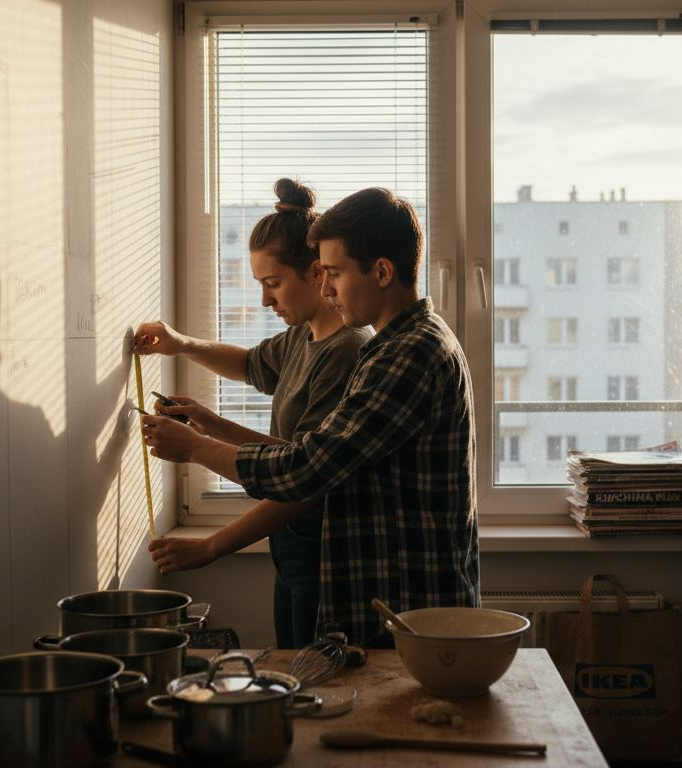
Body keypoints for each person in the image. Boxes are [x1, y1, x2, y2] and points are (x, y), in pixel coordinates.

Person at [141, 187, 480, 648]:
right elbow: (317, 456)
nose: (325, 288)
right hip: (392, 600)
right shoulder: (394, 346)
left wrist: (196, 447)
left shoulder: (408, 355)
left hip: (408, 607)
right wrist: (206, 422)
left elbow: (308, 468)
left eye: (335, 273)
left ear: (381, 272)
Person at [136, 178, 371, 650]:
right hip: (289, 543)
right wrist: (182, 349)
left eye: (273, 284)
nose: (266, 301)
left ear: (315, 272)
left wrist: (210, 544)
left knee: (312, 682)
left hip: (322, 552)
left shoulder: (346, 351)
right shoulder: (303, 338)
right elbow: (249, 365)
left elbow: (305, 475)